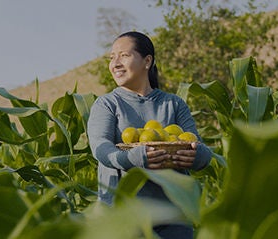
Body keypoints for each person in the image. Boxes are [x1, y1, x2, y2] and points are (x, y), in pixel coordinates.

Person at [87, 31, 212, 239]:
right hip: (123, 218)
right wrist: (132, 158)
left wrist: (197, 157)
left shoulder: (174, 104)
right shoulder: (107, 104)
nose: (115, 63)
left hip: (173, 217)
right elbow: (100, 148)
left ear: (147, 61)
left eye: (124, 55)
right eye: (112, 58)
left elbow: (197, 147)